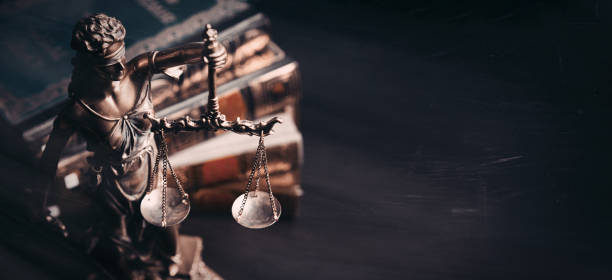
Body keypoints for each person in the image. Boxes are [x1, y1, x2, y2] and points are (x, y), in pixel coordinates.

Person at [39, 13, 226, 279]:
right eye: (108, 66)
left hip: (149, 168)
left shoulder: (138, 71)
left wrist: (213, 51)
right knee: (118, 239)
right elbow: (49, 161)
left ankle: (172, 263)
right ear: (90, 65)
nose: (119, 69)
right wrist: (41, 203)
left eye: (121, 58)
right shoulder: (78, 111)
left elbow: (183, 54)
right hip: (113, 183)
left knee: (166, 222)